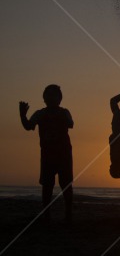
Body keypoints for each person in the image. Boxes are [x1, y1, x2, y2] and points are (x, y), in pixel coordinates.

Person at [19, 84, 74, 221]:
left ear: (59, 98)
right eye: (48, 95)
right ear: (44, 98)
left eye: (54, 95)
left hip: (64, 154)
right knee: (47, 185)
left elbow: (71, 123)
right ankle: (46, 214)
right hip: (47, 154)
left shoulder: (64, 112)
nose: (50, 97)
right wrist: (22, 115)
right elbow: (28, 126)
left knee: (65, 184)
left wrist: (61, 118)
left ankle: (68, 213)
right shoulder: (40, 113)